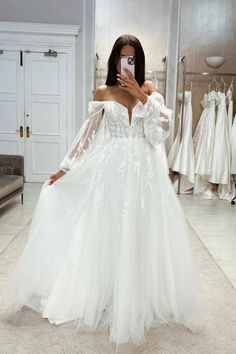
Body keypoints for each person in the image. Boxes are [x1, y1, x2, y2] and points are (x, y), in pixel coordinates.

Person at [7, 34, 203, 353]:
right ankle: (104, 292)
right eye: (123, 58)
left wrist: (140, 94)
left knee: (140, 233)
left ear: (138, 62)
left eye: (133, 59)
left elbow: (160, 132)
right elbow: (88, 134)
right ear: (114, 60)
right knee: (105, 228)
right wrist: (65, 167)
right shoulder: (102, 92)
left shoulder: (151, 91)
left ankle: (136, 295)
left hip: (142, 175)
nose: (128, 63)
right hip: (111, 170)